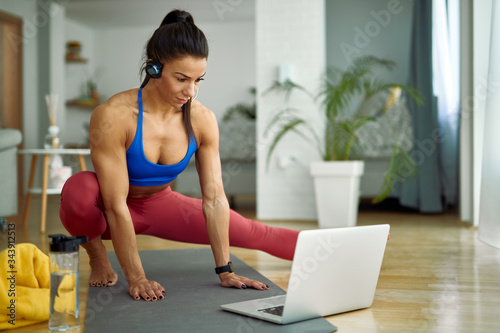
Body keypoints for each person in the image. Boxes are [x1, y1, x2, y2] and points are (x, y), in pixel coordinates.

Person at [59, 9, 299, 302]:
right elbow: (115, 204)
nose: (191, 91)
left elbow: (214, 198)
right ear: (154, 68)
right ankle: (96, 256)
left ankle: (341, 249)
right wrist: (137, 278)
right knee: (78, 189)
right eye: (182, 78)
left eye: (199, 80)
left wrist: (225, 270)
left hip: (160, 204)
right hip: (109, 211)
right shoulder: (114, 116)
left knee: (253, 232)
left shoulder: (202, 119)